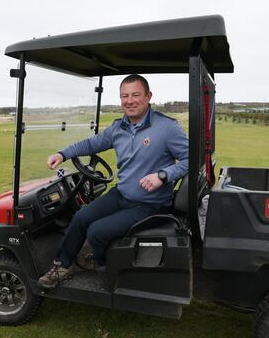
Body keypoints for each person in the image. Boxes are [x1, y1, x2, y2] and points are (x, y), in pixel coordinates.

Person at [38, 74, 189, 288]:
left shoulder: (167, 128)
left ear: (148, 96)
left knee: (97, 232)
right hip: (121, 194)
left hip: (150, 204)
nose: (129, 101)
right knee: (81, 217)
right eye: (124, 96)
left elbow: (191, 159)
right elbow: (92, 144)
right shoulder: (118, 128)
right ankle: (62, 266)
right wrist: (63, 154)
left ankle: (103, 265)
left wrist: (162, 175)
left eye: (136, 95)